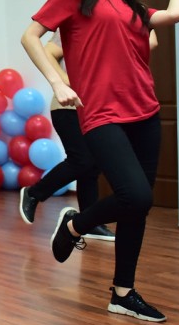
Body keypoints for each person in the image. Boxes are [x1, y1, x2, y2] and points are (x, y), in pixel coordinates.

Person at [22, 0, 179, 323]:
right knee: (136, 195)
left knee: (137, 208)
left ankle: (123, 293)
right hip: (101, 113)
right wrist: (58, 82)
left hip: (145, 112)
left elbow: (175, 14)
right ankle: (75, 224)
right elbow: (31, 37)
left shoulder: (134, 8)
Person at [17, 30, 157, 240]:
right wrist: (67, 82)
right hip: (69, 107)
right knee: (83, 160)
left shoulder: (116, 28)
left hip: (96, 108)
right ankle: (34, 193)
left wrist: (137, 20)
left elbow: (151, 42)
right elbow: (48, 52)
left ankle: (90, 223)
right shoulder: (77, 25)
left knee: (92, 168)